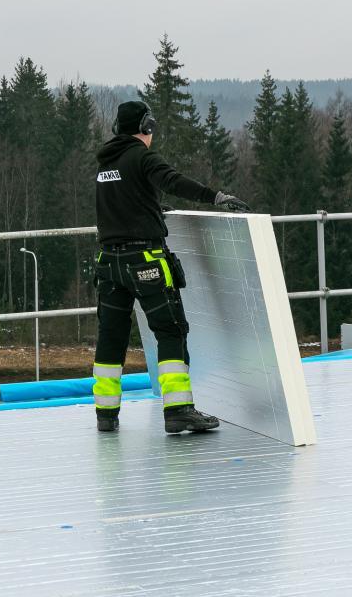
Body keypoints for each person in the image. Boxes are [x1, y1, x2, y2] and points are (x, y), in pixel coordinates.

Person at [92, 100, 250, 433]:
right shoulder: (142, 156)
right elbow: (172, 180)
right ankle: (178, 409)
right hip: (144, 262)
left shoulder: (106, 164)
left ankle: (105, 415)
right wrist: (215, 197)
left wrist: (150, 207)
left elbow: (124, 199)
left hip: (109, 264)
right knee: (170, 331)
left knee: (111, 338)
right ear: (146, 127)